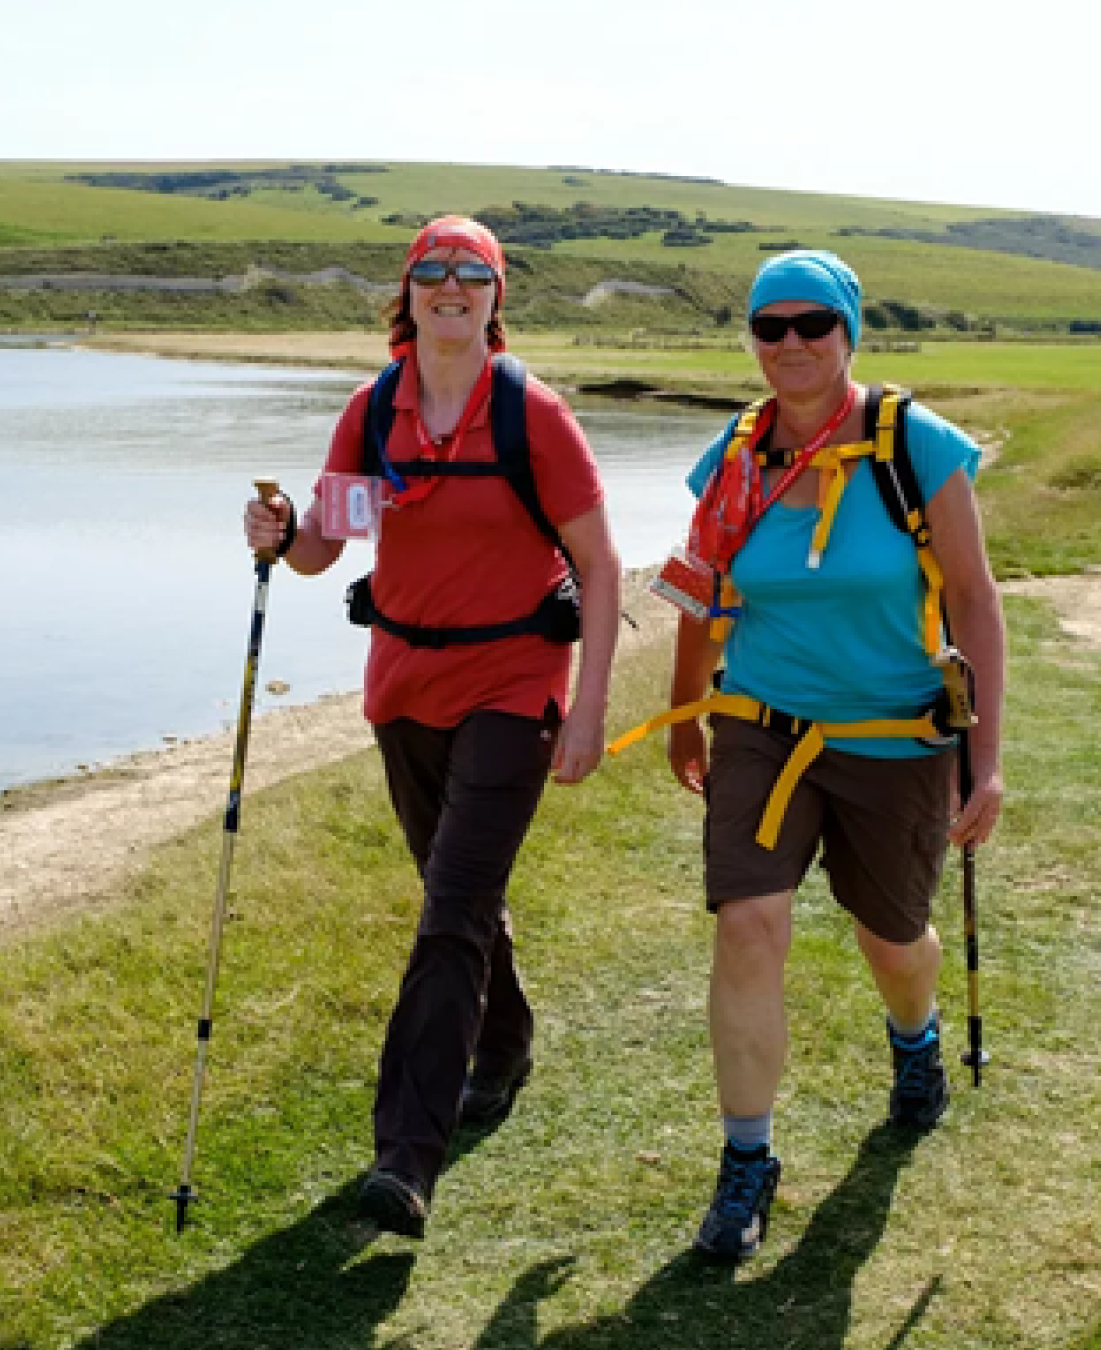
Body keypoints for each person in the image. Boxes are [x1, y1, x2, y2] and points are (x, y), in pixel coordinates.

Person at [241, 216, 623, 1239]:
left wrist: (586, 708)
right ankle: (505, 1048)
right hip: (403, 686)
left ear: (498, 299)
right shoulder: (373, 413)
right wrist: (283, 536)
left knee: (451, 910)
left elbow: (601, 563)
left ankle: (407, 1158)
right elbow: (328, 546)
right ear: (405, 295)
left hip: (516, 682)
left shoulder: (532, 415)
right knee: (459, 897)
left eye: (473, 274)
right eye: (432, 272)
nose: (451, 287)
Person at [620, 251, 1006, 1262]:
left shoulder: (914, 447)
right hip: (762, 724)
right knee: (748, 925)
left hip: (895, 734)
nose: (789, 344)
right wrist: (686, 713)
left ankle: (913, 1041)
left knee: (893, 939)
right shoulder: (736, 455)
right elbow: (702, 589)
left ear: (848, 335)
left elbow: (975, 601)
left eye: (811, 325)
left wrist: (989, 759)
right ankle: (747, 1160)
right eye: (768, 326)